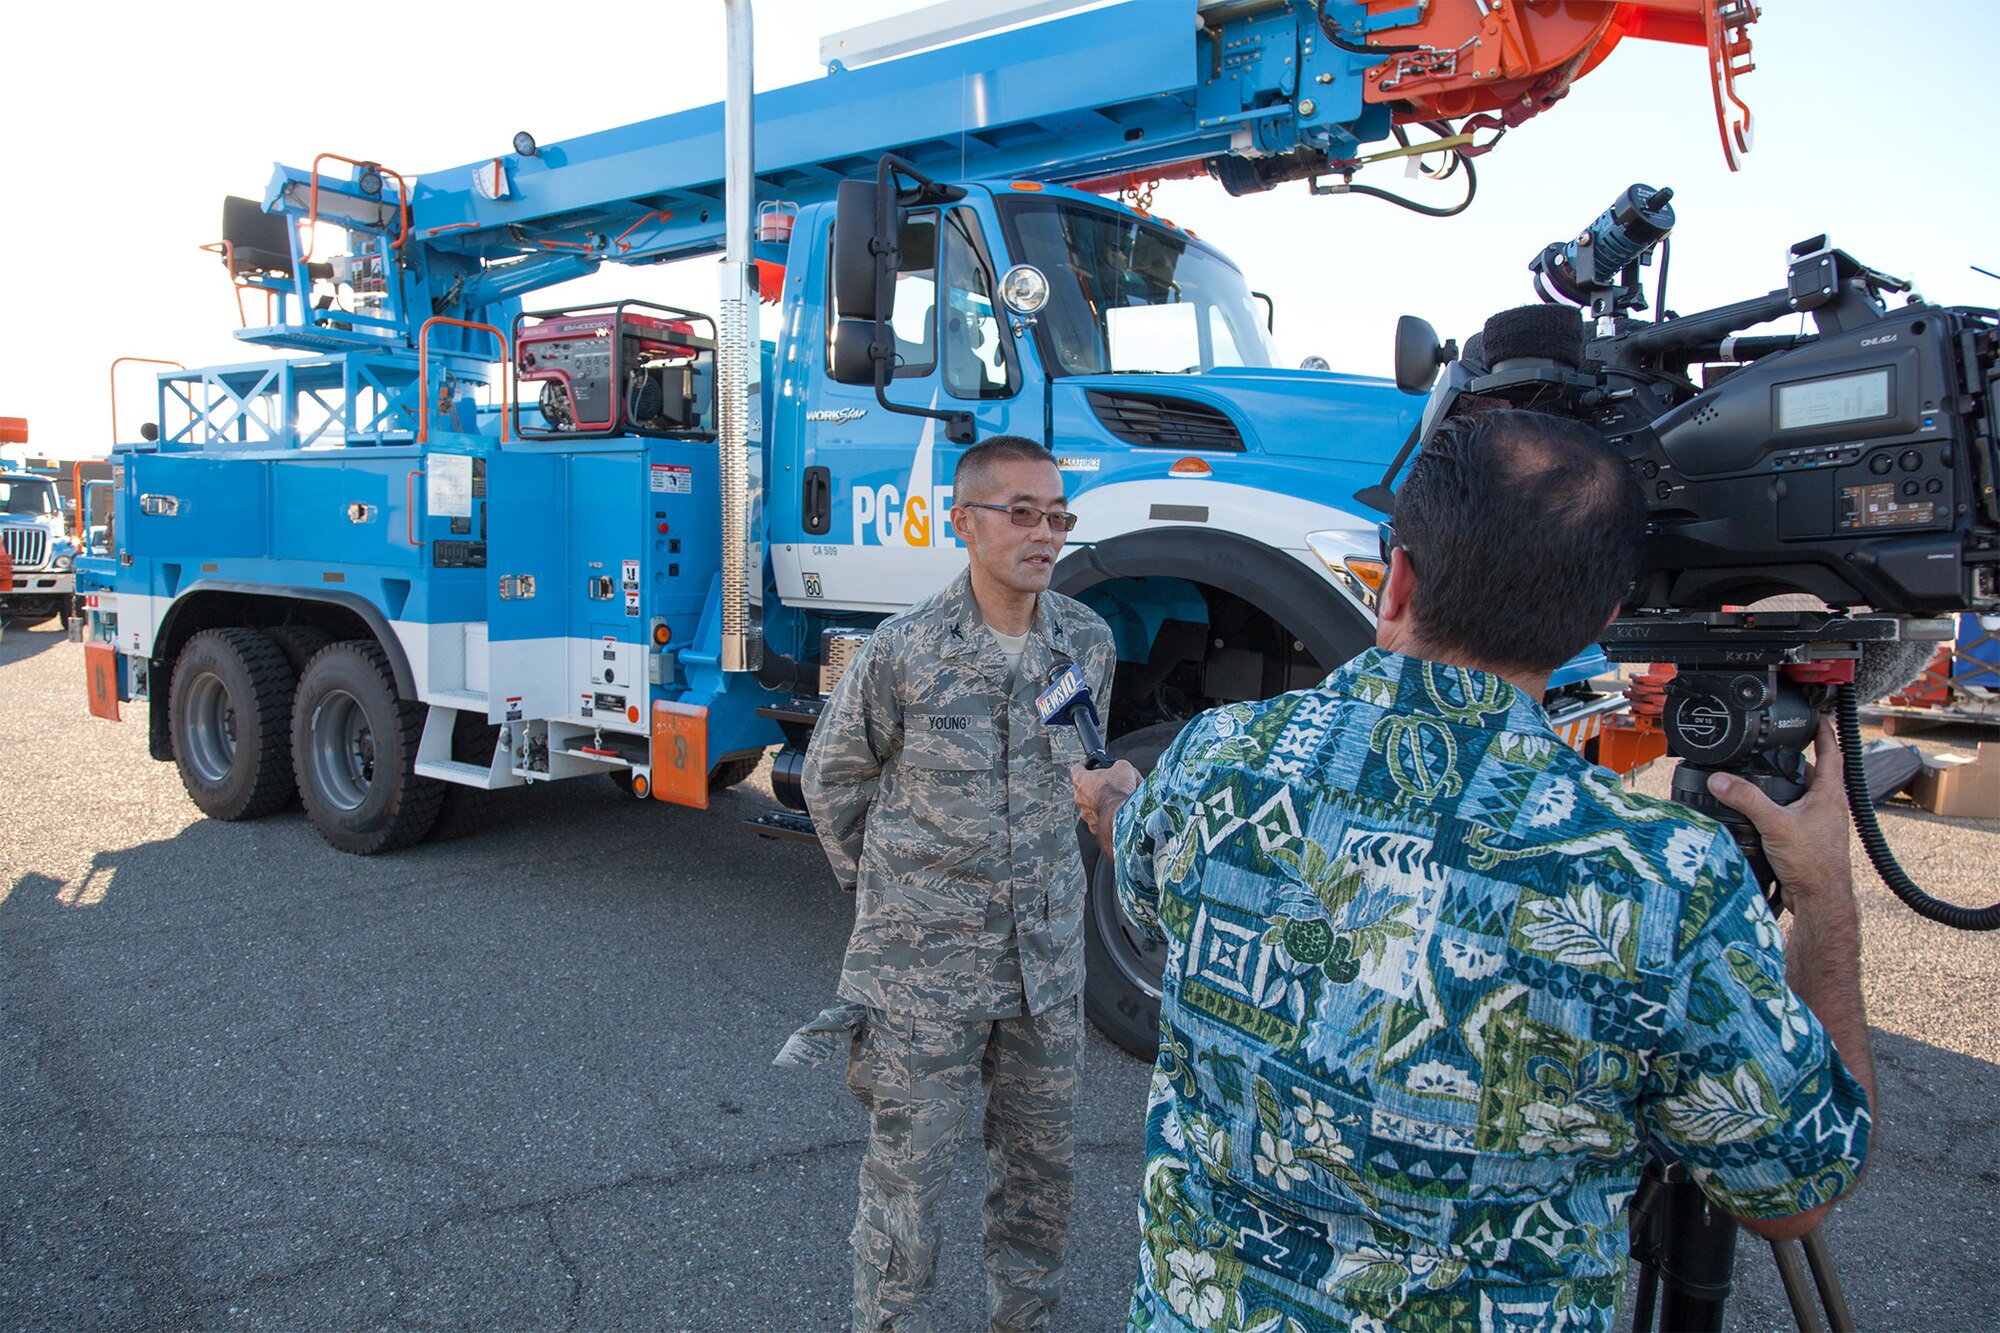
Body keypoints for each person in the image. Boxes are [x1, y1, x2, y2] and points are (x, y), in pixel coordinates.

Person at [1072, 410, 1875, 1332]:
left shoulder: (1216, 757)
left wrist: (1118, 800)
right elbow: (1794, 1189)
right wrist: (1824, 894)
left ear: (1398, 580)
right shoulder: (1665, 880)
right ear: (1603, 619)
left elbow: (1142, 881)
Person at [777, 435, 1116, 1331]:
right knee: (906, 1192)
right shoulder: (905, 650)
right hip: (924, 978)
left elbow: (1080, 765)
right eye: (1022, 513)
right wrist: (898, 903)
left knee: (1040, 1184)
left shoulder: (1085, 642)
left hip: (1045, 973)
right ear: (963, 521)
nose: (1045, 534)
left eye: (1059, 517)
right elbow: (833, 779)